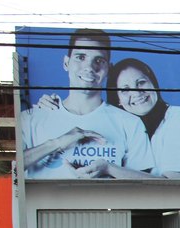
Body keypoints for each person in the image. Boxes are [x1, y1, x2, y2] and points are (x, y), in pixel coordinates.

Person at [21, 28, 156, 180]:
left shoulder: (130, 123)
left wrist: (108, 168)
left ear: (109, 69)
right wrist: (56, 143)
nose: (89, 67)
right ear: (66, 63)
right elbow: (9, 169)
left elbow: (149, 185)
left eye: (99, 60)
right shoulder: (32, 118)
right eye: (80, 57)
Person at [107, 58, 180, 179]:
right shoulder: (120, 129)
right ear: (118, 100)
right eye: (125, 90)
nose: (136, 93)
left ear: (153, 83)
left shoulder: (178, 117)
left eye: (141, 82)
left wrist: (110, 169)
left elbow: (173, 184)